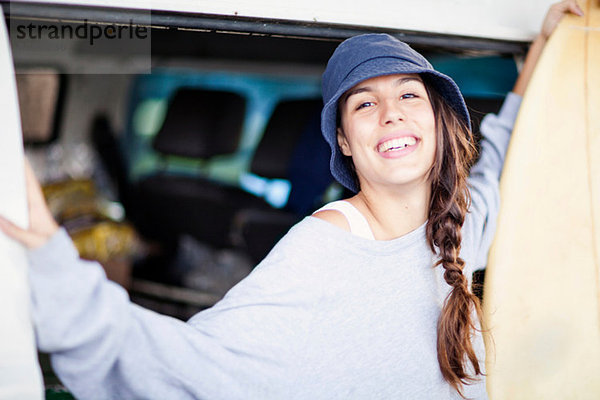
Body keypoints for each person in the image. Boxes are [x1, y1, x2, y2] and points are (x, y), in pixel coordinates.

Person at [0, 1, 583, 399]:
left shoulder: (459, 225)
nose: (392, 112)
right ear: (346, 146)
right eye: (364, 105)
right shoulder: (322, 250)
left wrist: (550, 47)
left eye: (410, 93)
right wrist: (55, 260)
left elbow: (502, 154)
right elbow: (189, 370)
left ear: (438, 121)